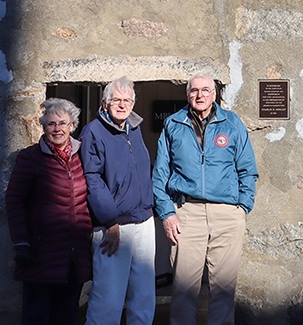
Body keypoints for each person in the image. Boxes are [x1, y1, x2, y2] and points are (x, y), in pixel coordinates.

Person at [153, 73, 259, 325]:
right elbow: (159, 173)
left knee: (223, 289)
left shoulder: (231, 123)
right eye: (194, 91)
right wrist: (167, 213)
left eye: (205, 90)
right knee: (184, 289)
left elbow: (247, 168)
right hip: (187, 212)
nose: (200, 95)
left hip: (227, 213)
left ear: (214, 94)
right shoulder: (173, 124)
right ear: (187, 94)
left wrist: (242, 206)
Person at [5, 98, 92, 324]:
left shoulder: (83, 156)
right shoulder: (30, 158)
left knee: (67, 315)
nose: (57, 129)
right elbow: (15, 201)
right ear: (43, 127)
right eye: (51, 124)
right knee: (37, 315)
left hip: (75, 254)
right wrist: (21, 242)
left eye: (63, 123)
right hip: (41, 252)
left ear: (73, 126)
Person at [79, 77, 156, 324]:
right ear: (104, 102)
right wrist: (109, 221)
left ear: (133, 103)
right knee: (108, 298)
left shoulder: (135, 128)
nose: (122, 105)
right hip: (114, 226)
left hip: (143, 220)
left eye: (127, 100)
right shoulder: (93, 131)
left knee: (143, 294)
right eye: (116, 100)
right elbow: (92, 179)